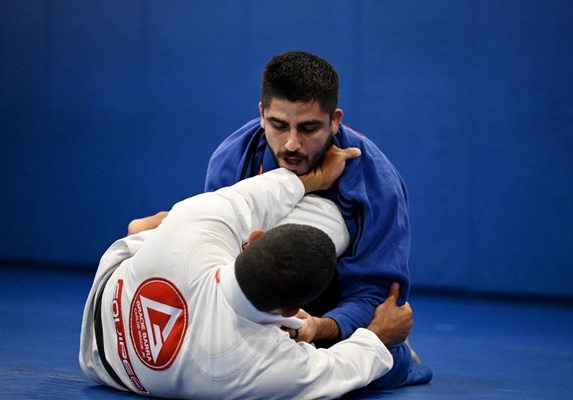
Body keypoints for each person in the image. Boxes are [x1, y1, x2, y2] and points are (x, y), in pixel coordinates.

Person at [128, 50, 432, 388]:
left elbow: (375, 297)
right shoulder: (233, 160)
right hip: (255, 302)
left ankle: (392, 349)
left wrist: (319, 327)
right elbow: (219, 262)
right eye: (278, 125)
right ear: (262, 114)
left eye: (309, 128)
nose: (292, 144)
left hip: (331, 312)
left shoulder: (377, 184)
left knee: (384, 366)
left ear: (335, 121)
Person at [80, 145, 416, 399]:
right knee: (393, 360)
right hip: (116, 369)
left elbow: (264, 192)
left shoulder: (196, 226)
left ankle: (146, 229)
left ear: (253, 240)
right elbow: (343, 366)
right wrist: (379, 336)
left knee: (187, 218)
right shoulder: (262, 364)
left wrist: (315, 178)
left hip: (107, 302)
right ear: (293, 312)